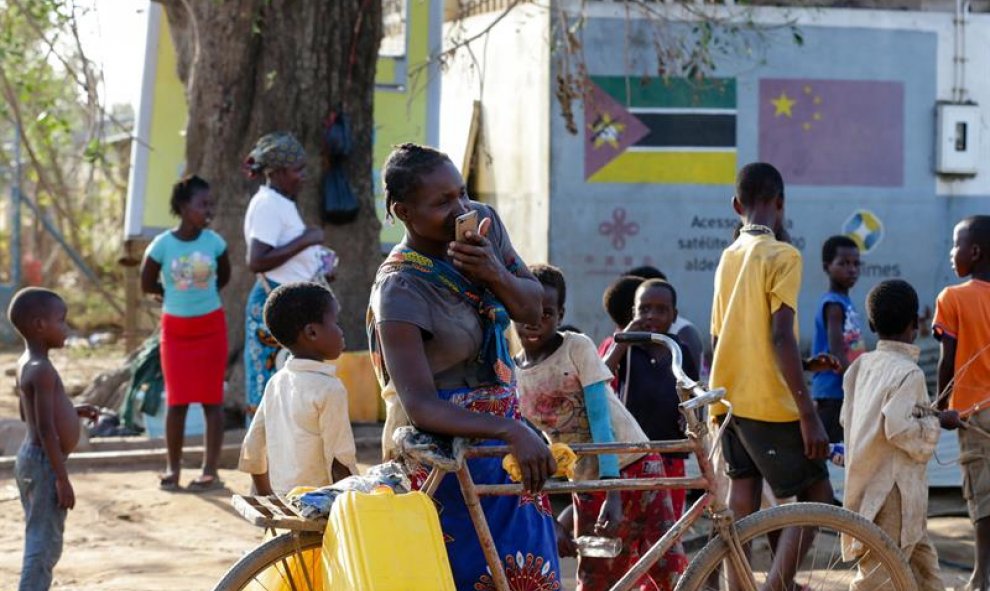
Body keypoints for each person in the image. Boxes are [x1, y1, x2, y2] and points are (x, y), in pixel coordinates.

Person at [367, 143, 561, 590]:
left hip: (508, 455)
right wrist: (513, 432)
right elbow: (420, 406)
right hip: (443, 464)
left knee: (530, 575)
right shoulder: (400, 288)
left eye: (462, 193)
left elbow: (533, 311)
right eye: (442, 203)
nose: (460, 209)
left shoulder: (483, 228)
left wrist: (494, 272)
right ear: (403, 211)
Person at [514, 264, 686, 591]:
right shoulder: (513, 375)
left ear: (561, 313)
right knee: (598, 578)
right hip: (587, 482)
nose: (535, 323)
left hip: (636, 467)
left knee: (667, 571)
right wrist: (548, 520)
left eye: (546, 313)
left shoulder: (576, 348)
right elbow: (523, 455)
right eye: (524, 313)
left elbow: (600, 420)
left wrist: (614, 493)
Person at [709, 162, 839, 588]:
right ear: (780, 204)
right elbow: (780, 337)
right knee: (817, 498)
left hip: (728, 400)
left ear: (735, 206)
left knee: (741, 501)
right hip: (770, 405)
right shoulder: (784, 254)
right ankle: (776, 587)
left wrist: (802, 366)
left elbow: (724, 336)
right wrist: (808, 414)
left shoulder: (729, 256)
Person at [842, 279, 944, 590]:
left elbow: (847, 419)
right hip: (895, 493)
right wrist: (935, 425)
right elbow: (899, 428)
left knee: (923, 568)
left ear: (871, 324)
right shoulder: (909, 373)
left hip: (868, 485)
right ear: (915, 324)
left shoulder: (860, 367)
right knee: (878, 578)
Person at [140, 176, 230, 492]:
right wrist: (172, 298)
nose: (209, 210)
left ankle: (209, 471)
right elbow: (147, 283)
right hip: (176, 332)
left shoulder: (215, 243)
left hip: (210, 328)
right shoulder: (162, 245)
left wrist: (200, 299)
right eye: (202, 204)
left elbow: (224, 276)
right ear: (182, 206)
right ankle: (173, 469)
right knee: (177, 402)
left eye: (210, 204)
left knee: (212, 402)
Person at [8, 288, 99, 590]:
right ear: (39, 325)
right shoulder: (42, 369)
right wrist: (62, 478)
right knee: (43, 544)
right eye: (62, 321)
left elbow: (28, 415)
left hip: (31, 461)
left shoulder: (26, 364)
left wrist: (72, 412)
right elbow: (45, 429)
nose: (67, 329)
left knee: (41, 535)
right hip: (45, 465)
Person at [242, 131, 334, 417]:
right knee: (269, 388)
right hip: (272, 307)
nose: (303, 176)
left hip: (288, 305)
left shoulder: (281, 203)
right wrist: (307, 239)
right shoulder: (268, 204)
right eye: (298, 170)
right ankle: (268, 460)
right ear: (279, 172)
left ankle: (286, 458)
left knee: (288, 391)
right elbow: (257, 260)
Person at [239, 282, 358, 495]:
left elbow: (253, 449)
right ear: (312, 332)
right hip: (319, 508)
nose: (341, 331)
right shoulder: (330, 389)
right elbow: (340, 461)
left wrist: (270, 501)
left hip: (285, 502)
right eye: (336, 322)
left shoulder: (276, 382)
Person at [602, 278, 698, 518]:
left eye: (661, 310)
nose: (652, 316)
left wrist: (688, 418)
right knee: (631, 520)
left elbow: (693, 392)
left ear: (674, 315)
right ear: (633, 313)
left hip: (670, 452)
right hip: (633, 453)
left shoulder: (680, 349)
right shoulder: (628, 348)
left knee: (668, 522)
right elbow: (601, 374)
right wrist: (624, 340)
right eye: (644, 309)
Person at [933, 215, 990, 591]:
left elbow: (946, 359)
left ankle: (981, 577)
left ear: (974, 251)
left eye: (955, 245)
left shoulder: (952, 297)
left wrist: (940, 406)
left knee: (982, 495)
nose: (951, 253)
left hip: (974, 414)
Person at [811, 235, 866, 443]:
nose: (851, 269)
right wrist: (860, 383)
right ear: (827, 267)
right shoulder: (833, 305)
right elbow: (836, 353)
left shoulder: (845, 301)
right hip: (833, 391)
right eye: (843, 264)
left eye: (855, 264)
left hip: (843, 388)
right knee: (828, 450)